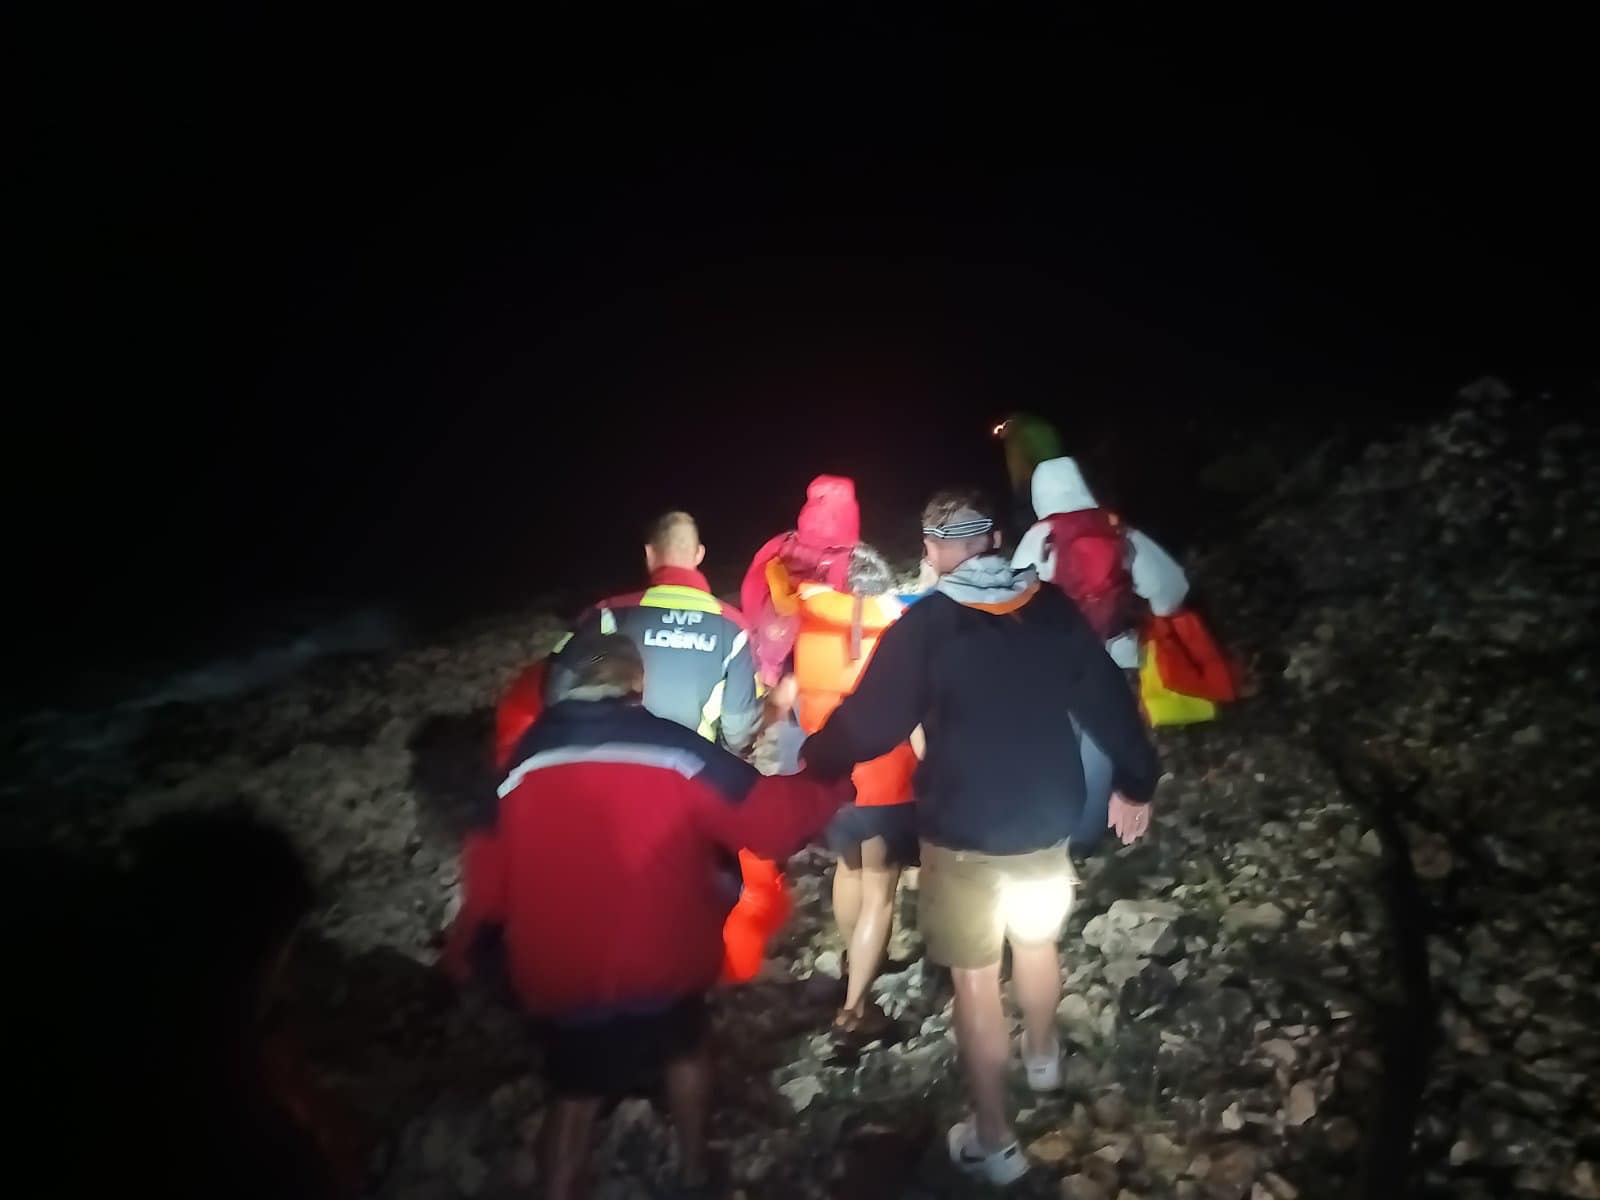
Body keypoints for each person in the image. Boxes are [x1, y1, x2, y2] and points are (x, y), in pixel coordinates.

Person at [803, 489, 1160, 1187]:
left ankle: (994, 1141)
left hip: (964, 828)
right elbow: (1106, 698)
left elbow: (870, 723)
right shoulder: (1051, 609)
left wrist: (816, 762)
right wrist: (1137, 780)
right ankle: (1044, 1057)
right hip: (1046, 821)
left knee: (974, 980)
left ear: (933, 551)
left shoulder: (928, 625)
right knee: (1037, 941)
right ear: (995, 539)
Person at [446, 632, 849, 1199]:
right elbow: (773, 823)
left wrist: (466, 961)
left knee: (574, 1095)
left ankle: (558, 1188)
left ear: (560, 688)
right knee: (686, 1048)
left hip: (562, 974)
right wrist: (831, 781)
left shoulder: (516, 768)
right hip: (664, 963)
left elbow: (485, 892)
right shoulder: (676, 750)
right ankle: (691, 1170)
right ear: (633, 685)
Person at [775, 542, 920, 1038]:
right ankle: (855, 1009)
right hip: (886, 783)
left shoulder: (810, 632)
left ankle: (851, 961)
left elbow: (786, 703)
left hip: (831, 779)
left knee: (848, 868)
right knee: (880, 890)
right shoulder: (898, 634)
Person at [1010, 456, 1189, 851]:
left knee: (1058, 745)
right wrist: (1153, 610)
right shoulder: (1118, 531)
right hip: (1116, 655)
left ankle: (1053, 836)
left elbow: (1014, 607)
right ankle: (1085, 840)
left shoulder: (1039, 540)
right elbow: (1172, 587)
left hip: (1057, 664)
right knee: (1104, 745)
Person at [545, 510, 761, 755]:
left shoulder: (607, 615)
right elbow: (739, 732)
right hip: (691, 764)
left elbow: (557, 692)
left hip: (615, 759)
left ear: (649, 554)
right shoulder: (733, 626)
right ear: (699, 554)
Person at [739, 475, 862, 688]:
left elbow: (752, 590)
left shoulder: (779, 545)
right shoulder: (856, 559)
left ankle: (768, 680)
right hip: (827, 663)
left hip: (774, 654)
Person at [991, 413, 1064, 536]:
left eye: (1000, 429)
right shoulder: (1031, 427)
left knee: (1029, 521)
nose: (1000, 434)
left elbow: (1042, 456)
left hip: (1032, 483)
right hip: (1047, 479)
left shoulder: (1020, 433)